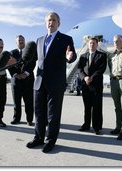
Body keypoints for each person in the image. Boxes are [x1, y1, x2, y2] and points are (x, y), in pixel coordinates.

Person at [26, 12, 77, 153]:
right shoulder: (39, 40)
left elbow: (71, 56)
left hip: (55, 83)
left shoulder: (66, 39)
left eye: (54, 20)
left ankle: (50, 141)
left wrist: (69, 57)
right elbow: (33, 60)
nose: (51, 22)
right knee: (39, 113)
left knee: (53, 114)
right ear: (45, 23)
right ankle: (38, 138)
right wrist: (22, 69)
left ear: (58, 23)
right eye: (49, 20)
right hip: (39, 82)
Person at [77, 37, 107, 135]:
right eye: (90, 43)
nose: (91, 45)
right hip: (85, 85)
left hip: (96, 85)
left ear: (97, 45)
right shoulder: (83, 56)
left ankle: (97, 127)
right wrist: (85, 78)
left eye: (94, 43)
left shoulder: (102, 56)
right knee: (87, 106)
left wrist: (91, 78)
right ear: (88, 44)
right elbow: (79, 69)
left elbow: (101, 69)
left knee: (97, 107)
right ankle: (86, 125)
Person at [8, 35, 36, 126]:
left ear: (25, 41)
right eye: (19, 40)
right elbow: (10, 66)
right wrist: (16, 74)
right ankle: (16, 119)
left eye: (22, 40)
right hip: (16, 81)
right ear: (16, 43)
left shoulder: (31, 51)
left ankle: (29, 120)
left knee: (29, 102)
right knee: (16, 102)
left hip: (28, 80)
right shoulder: (12, 52)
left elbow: (33, 63)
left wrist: (26, 73)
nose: (21, 41)